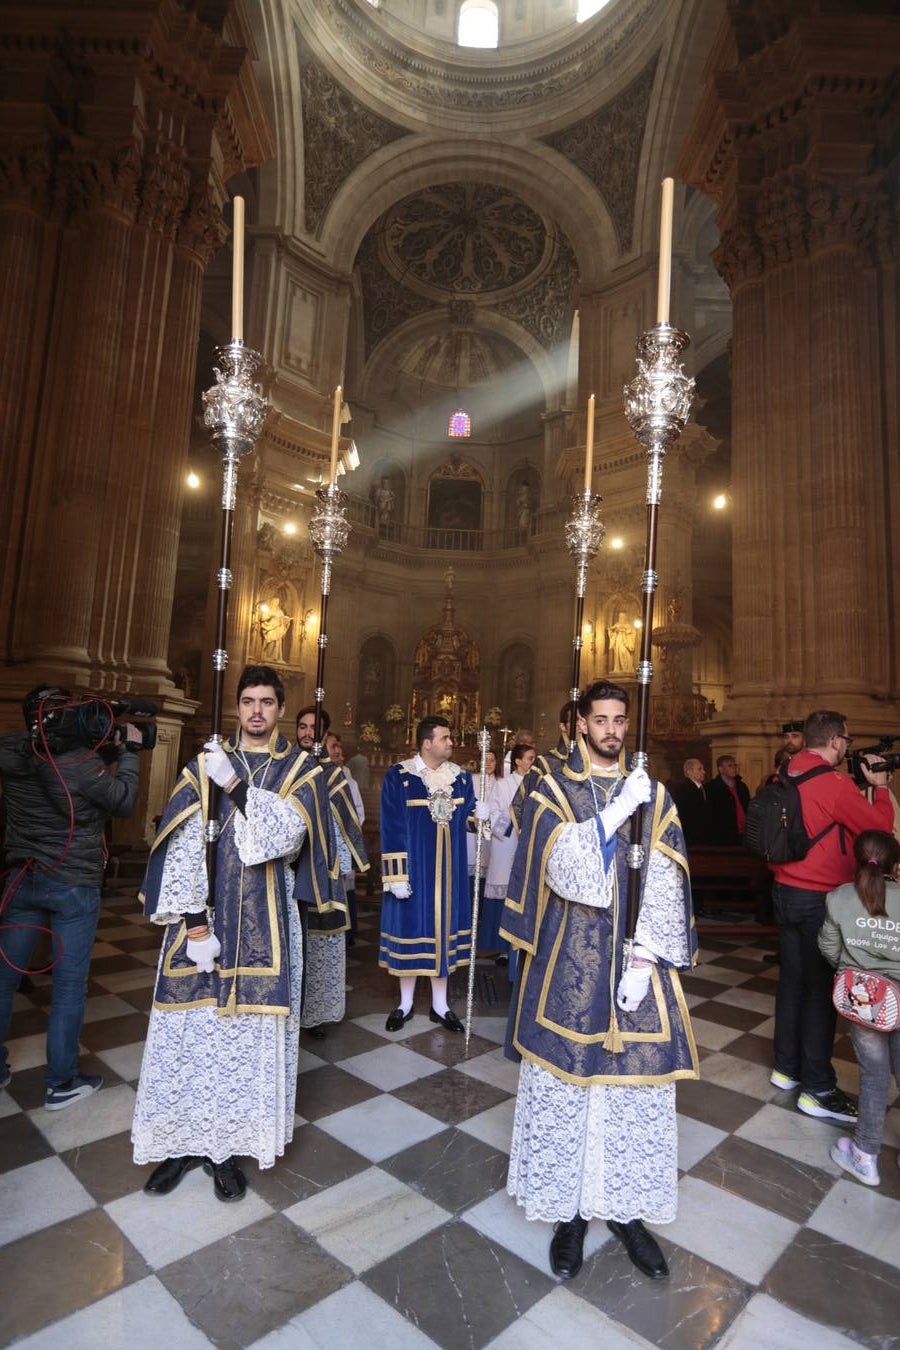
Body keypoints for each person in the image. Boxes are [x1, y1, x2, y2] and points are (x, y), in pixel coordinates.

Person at [501, 680, 697, 1282]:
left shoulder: (657, 794)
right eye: (601, 719)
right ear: (581, 723)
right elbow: (564, 870)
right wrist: (614, 812)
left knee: (632, 1091)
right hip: (570, 963)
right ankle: (568, 1216)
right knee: (571, 1086)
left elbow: (665, 875)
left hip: (635, 965)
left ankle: (627, 1211)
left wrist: (644, 963)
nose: (612, 729)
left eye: (620, 720)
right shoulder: (554, 787)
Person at [132, 665, 332, 1200]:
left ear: (282, 708)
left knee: (243, 1037)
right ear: (237, 707)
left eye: (267, 701)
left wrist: (233, 783)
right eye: (248, 701)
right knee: (190, 1036)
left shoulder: (300, 772)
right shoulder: (202, 764)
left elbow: (282, 838)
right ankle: (181, 1143)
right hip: (201, 926)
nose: (257, 711)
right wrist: (195, 925)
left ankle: (225, 1151)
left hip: (265, 929)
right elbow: (182, 843)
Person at [0, 687, 140, 1108]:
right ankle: (61, 1082)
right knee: (67, 987)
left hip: (22, 879)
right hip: (72, 886)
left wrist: (105, 755)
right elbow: (124, 800)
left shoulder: (11, 749)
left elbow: (59, 776)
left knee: (4, 979)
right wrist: (130, 752)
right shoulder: (79, 763)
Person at [769, 709, 893, 1123]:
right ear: (836, 741)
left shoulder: (787, 771)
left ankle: (786, 1068)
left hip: (783, 889)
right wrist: (879, 788)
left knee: (791, 983)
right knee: (819, 991)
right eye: (848, 740)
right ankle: (819, 1088)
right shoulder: (834, 783)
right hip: (816, 896)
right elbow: (877, 833)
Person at [379, 715, 488, 1032]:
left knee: (443, 937)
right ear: (427, 743)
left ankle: (440, 1006)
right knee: (410, 934)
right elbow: (392, 826)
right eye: (445, 737)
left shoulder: (462, 779)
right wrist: (396, 874)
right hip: (414, 872)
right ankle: (405, 1003)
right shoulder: (399, 777)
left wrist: (480, 818)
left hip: (449, 874)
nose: (451, 742)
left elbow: (469, 822)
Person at [818, 830, 900, 1187]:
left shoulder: (838, 899)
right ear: (895, 865)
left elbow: (828, 948)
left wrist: (854, 969)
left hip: (864, 1000)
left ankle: (865, 1157)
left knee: (874, 1076)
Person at [295, 708, 365, 1039]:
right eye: (303, 727)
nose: (308, 733)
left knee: (319, 940)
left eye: (315, 728)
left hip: (321, 867)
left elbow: (344, 825)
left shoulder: (333, 775)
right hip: (287, 868)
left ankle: (316, 1013)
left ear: (325, 734)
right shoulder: (284, 767)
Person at [482, 744, 535, 964]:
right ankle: (503, 947)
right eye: (530, 758)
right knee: (504, 892)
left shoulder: (537, 784)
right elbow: (492, 813)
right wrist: (514, 826)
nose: (533, 762)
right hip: (507, 843)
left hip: (529, 843)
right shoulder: (503, 785)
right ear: (518, 761)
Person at [325, 732, 365, 946]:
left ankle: (347, 933)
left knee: (345, 886)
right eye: (333, 746)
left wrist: (346, 826)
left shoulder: (349, 779)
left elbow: (359, 811)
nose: (338, 750)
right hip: (324, 842)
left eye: (338, 745)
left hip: (343, 838)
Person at [468, 749, 499, 953]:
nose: (488, 763)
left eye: (492, 760)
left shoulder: (501, 782)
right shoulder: (470, 780)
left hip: (494, 838)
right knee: (472, 881)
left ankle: (484, 929)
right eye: (485, 760)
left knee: (489, 879)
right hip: (471, 835)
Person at [706, 753, 750, 844]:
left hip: (744, 833)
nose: (734, 768)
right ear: (720, 769)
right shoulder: (712, 788)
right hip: (724, 835)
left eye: (735, 765)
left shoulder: (742, 786)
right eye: (730, 766)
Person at [673, 757, 710, 847]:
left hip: (704, 835)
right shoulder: (684, 790)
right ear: (689, 772)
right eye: (699, 769)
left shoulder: (705, 788)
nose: (704, 772)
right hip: (692, 837)